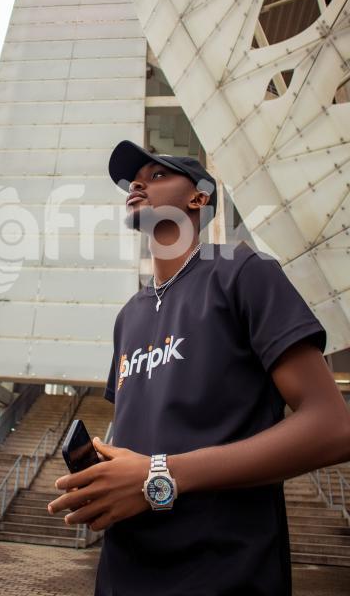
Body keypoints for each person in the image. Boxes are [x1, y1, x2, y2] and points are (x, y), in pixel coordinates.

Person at [47, 140, 350, 596]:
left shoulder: (243, 272)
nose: (137, 183)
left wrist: (158, 476)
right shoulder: (127, 316)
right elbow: (136, 435)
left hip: (226, 575)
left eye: (157, 175)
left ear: (198, 198)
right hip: (122, 574)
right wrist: (102, 479)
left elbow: (332, 427)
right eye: (135, 178)